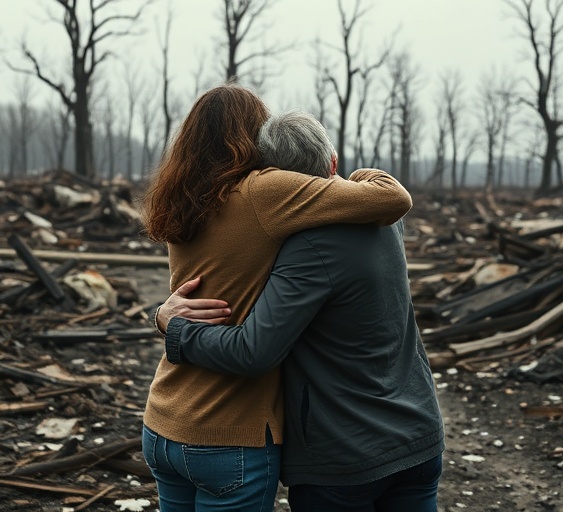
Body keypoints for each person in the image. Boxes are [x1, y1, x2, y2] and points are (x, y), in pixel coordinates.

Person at [140, 85, 413, 511]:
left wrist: (161, 318)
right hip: (229, 429)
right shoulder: (264, 192)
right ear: (253, 137)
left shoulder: (182, 200)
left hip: (163, 419)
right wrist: (357, 175)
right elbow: (391, 199)